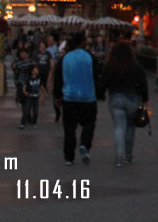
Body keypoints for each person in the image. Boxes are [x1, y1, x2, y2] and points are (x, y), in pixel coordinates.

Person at [102, 39, 149, 167]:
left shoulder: (111, 65)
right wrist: (145, 99)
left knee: (119, 127)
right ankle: (128, 155)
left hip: (116, 98)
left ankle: (119, 155)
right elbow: (143, 83)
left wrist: (100, 94)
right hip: (133, 98)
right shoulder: (136, 65)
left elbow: (103, 81)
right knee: (130, 127)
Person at [54, 32, 98, 165]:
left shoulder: (65, 58)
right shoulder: (90, 57)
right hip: (88, 97)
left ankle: (69, 156)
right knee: (89, 123)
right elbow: (96, 75)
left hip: (69, 97)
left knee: (69, 128)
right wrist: (99, 93)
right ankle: (85, 143)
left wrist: (57, 96)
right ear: (83, 43)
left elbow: (59, 78)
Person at [20, 64, 44, 129]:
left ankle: (34, 122)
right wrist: (25, 92)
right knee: (26, 110)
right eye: (36, 69)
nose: (37, 70)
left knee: (35, 111)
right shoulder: (28, 79)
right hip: (29, 96)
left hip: (36, 97)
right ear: (32, 71)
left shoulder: (39, 78)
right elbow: (24, 87)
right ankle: (23, 123)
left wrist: (43, 94)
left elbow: (41, 86)